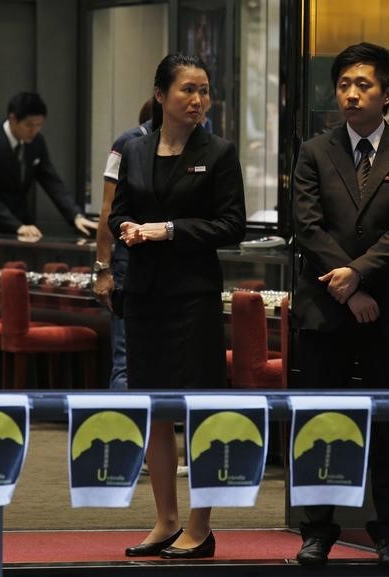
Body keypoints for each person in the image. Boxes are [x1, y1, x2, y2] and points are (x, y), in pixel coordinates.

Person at [291, 42, 389, 568]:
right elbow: (307, 226)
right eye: (344, 85)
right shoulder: (314, 151)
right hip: (327, 309)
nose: (351, 94)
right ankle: (316, 529)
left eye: (364, 85)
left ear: (387, 93)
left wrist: (361, 274)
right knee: (321, 422)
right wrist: (350, 287)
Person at [109, 53, 245, 559]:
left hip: (193, 298)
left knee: (200, 411)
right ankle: (165, 518)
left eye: (204, 90)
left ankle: (200, 525)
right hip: (144, 297)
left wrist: (168, 229)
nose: (198, 100)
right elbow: (118, 213)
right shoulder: (135, 149)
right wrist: (123, 229)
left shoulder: (219, 151)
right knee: (156, 411)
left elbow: (232, 225)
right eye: (188, 89)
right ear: (161, 95)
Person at [0, 92, 97, 238]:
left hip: (25, 226)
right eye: (29, 125)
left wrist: (76, 216)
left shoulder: (37, 142)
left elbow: (51, 181)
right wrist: (16, 226)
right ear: (12, 119)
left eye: (39, 125)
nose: (35, 131)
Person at [93, 98, 155, 391]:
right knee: (126, 357)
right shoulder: (127, 143)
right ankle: (124, 429)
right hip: (129, 260)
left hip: (166, 261)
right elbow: (107, 210)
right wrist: (102, 267)